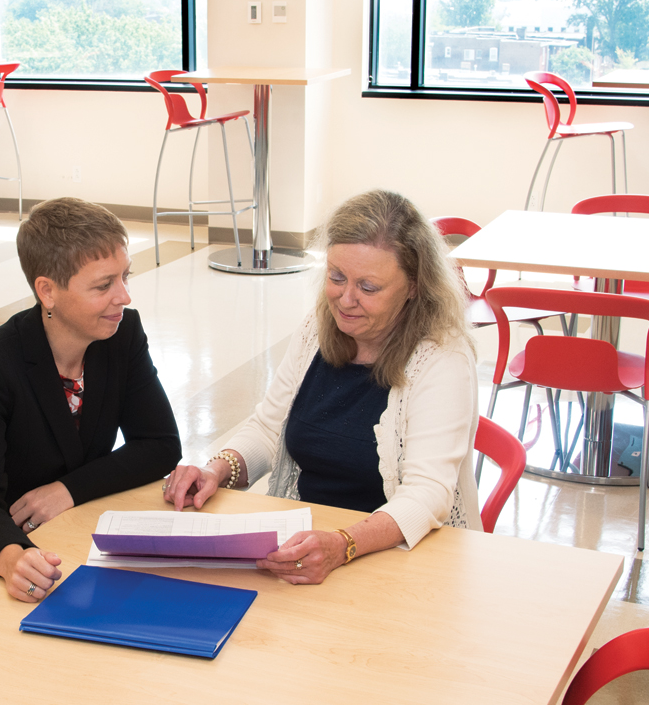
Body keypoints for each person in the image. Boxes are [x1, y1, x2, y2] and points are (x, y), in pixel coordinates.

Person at [164, 189, 480, 584]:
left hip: (398, 559)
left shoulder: (441, 357)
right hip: (310, 549)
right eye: (336, 277)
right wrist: (217, 470)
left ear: (414, 286)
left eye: (369, 288)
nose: (346, 299)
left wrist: (342, 544)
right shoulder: (318, 329)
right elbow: (269, 429)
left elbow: (427, 494)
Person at [0, 198, 182, 602]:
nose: (124, 297)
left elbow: (161, 446)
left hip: (62, 536)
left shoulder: (121, 335)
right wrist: (12, 558)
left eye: (125, 277)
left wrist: (67, 489)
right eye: (103, 285)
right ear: (48, 291)